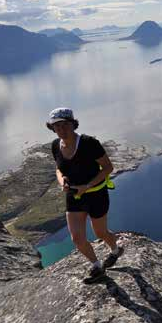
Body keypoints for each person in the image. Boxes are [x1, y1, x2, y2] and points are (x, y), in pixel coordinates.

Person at [47, 107, 124, 282]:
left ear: (73, 124)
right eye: (56, 126)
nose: (61, 129)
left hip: (96, 194)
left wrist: (87, 186)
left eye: (65, 125)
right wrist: (62, 181)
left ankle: (115, 249)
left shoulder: (89, 143)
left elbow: (108, 168)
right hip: (73, 196)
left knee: (101, 233)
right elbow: (58, 168)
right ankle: (97, 266)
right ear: (52, 128)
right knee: (77, 238)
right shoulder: (55, 145)